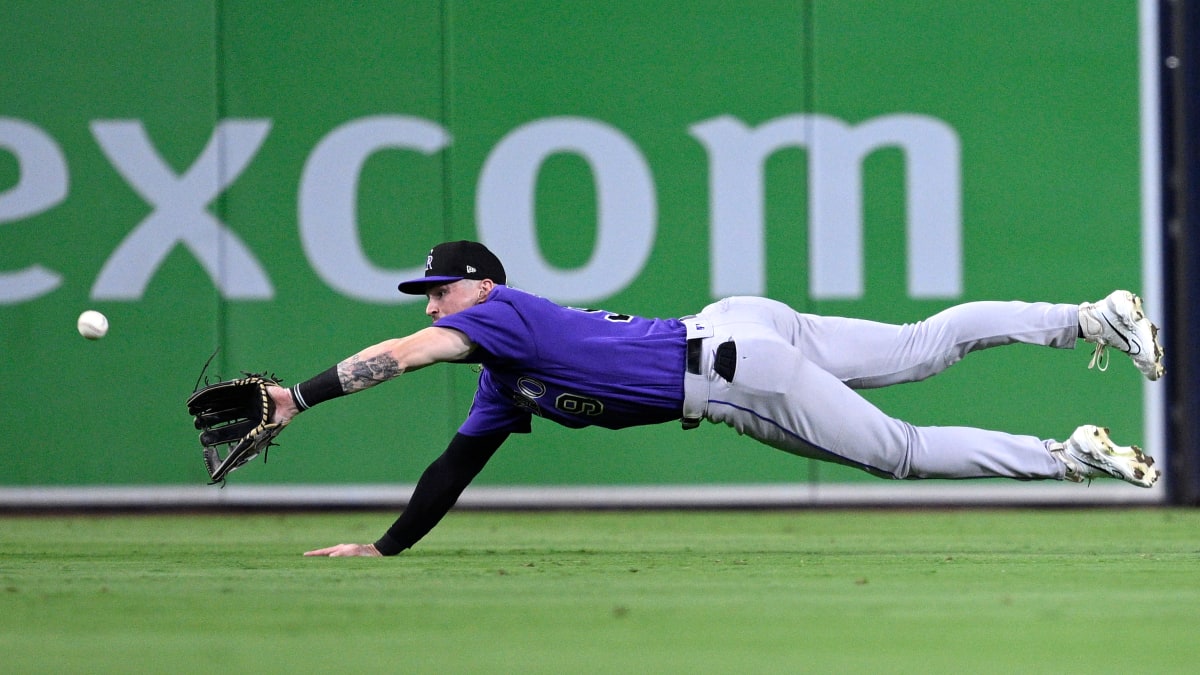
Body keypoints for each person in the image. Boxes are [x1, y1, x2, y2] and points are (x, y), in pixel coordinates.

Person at [280, 240, 1164, 558]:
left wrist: (299, 398)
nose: (432, 302)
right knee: (920, 345)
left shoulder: (502, 316)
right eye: (429, 292)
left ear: (481, 287)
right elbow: (457, 462)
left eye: (441, 288)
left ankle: (1064, 456)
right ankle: (1091, 318)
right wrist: (389, 545)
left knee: (899, 448)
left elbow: (398, 355)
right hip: (734, 324)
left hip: (734, 371)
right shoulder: (504, 372)